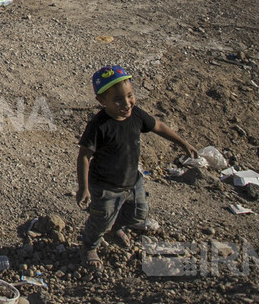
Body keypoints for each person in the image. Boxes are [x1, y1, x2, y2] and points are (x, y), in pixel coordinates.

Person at [77, 66, 197, 266]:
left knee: (138, 213)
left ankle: (115, 227)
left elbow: (158, 126)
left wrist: (182, 143)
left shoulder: (136, 115)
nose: (127, 103)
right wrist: (84, 187)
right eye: (118, 100)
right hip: (106, 187)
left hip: (133, 181)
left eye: (130, 95)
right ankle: (88, 247)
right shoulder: (99, 126)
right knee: (100, 222)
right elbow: (84, 156)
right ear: (101, 101)